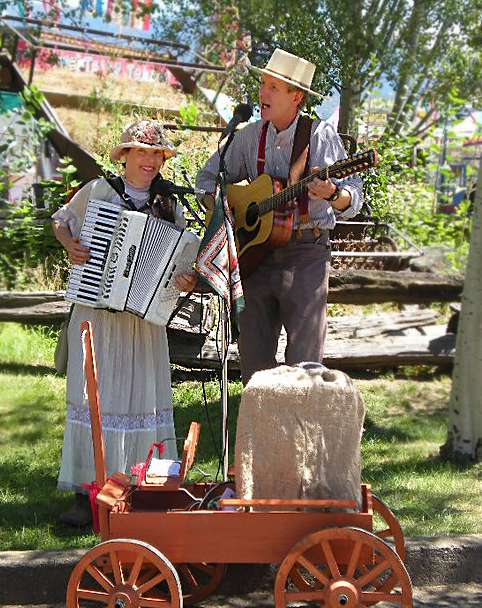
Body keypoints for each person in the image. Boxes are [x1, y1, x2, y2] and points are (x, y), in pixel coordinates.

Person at [52, 120, 194, 525]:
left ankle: (139, 484)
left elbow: (180, 258)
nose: (150, 161)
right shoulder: (99, 191)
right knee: (94, 396)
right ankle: (87, 492)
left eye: (157, 155)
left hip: (143, 322)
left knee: (138, 396)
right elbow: (61, 222)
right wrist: (71, 246)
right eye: (142, 153)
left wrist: (185, 279)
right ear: (126, 156)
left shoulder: (170, 204)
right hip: (97, 311)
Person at [196, 48, 364, 385]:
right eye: (263, 84)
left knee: (305, 363)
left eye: (274, 87)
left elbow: (354, 197)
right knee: (254, 357)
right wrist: (227, 211)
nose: (263, 93)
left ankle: (300, 432)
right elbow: (207, 179)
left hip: (306, 253)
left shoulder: (319, 137)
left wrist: (331, 193)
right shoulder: (248, 136)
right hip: (255, 254)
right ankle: (258, 433)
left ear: (296, 96)